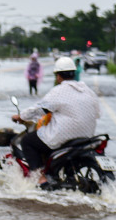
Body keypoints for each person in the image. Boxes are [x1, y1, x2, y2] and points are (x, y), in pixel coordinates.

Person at [11, 57, 100, 190]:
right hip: (86, 136)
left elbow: (40, 109)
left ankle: (41, 179)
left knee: (28, 141)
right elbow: (98, 113)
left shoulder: (59, 91)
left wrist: (22, 116)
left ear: (58, 76)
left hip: (65, 136)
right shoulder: (87, 90)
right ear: (74, 73)